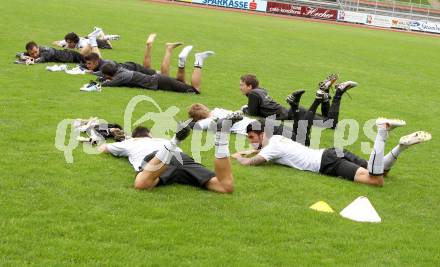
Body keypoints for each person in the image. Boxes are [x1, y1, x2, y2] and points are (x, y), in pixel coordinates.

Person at [232, 118, 431, 186]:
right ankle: (401, 146)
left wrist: (240, 158)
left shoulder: (272, 147)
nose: (251, 141)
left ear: (262, 133)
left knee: (375, 180)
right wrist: (250, 149)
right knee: (380, 171)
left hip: (327, 162)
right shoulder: (276, 140)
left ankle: (382, 131)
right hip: (333, 152)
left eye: (251, 137)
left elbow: (252, 162)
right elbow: (261, 149)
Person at [99, 119, 238, 193]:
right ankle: (221, 138)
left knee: (142, 184)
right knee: (224, 186)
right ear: (150, 135)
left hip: (157, 158)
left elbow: (104, 148)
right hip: (180, 157)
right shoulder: (160, 140)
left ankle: (175, 140)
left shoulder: (131, 142)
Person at [239, 74, 357, 129]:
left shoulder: (254, 94)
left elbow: (253, 112)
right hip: (293, 112)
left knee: (331, 124)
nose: (240, 87)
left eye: (242, 85)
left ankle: (338, 92)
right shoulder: (260, 90)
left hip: (294, 116)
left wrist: (244, 109)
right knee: (327, 119)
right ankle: (324, 95)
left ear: (250, 87)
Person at [98, 49, 214, 94]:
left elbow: (109, 84)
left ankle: (199, 60)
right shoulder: (121, 70)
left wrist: (101, 82)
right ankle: (181, 61)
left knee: (195, 91)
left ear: (109, 74)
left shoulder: (121, 76)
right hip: (159, 79)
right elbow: (111, 79)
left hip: (160, 82)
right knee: (181, 81)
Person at [82, 33, 188, 79]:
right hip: (131, 67)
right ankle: (149, 46)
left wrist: (93, 73)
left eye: (89, 64)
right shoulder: (99, 63)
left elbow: (109, 69)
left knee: (163, 75)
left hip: (133, 68)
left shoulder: (106, 64)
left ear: (96, 62)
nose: (88, 66)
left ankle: (168, 49)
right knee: (148, 69)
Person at [17, 29, 102, 64]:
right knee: (89, 58)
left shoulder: (46, 52)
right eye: (32, 53)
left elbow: (40, 60)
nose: (35, 55)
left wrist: (27, 60)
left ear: (38, 48)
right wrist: (23, 56)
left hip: (72, 56)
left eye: (36, 52)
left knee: (97, 62)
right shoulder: (35, 51)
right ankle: (92, 41)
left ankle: (92, 41)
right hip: (69, 54)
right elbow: (20, 53)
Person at [187, 103, 255, 135]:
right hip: (252, 121)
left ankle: (228, 120)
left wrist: (187, 122)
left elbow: (197, 126)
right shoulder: (218, 110)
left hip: (248, 128)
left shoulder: (208, 121)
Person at [52, 27, 119, 49]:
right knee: (88, 37)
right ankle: (98, 31)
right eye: (67, 42)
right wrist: (61, 45)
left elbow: (90, 48)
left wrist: (68, 48)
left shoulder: (82, 44)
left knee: (110, 46)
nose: (68, 44)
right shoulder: (68, 41)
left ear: (74, 41)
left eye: (70, 42)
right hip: (86, 38)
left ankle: (104, 36)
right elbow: (54, 42)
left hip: (93, 41)